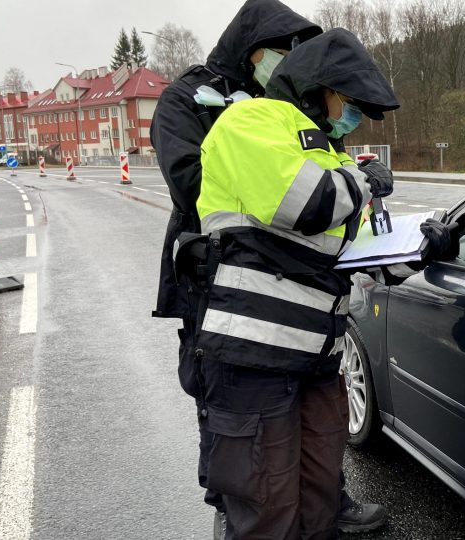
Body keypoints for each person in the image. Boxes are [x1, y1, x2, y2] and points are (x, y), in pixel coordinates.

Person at [149, 1, 385, 535]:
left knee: (307, 460)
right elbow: (193, 183)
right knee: (250, 466)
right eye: (283, 51)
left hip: (307, 332)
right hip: (225, 293)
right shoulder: (200, 103)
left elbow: (340, 213)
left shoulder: (294, 113)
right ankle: (233, 511)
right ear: (255, 50)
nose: (289, 61)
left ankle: (302, 506)